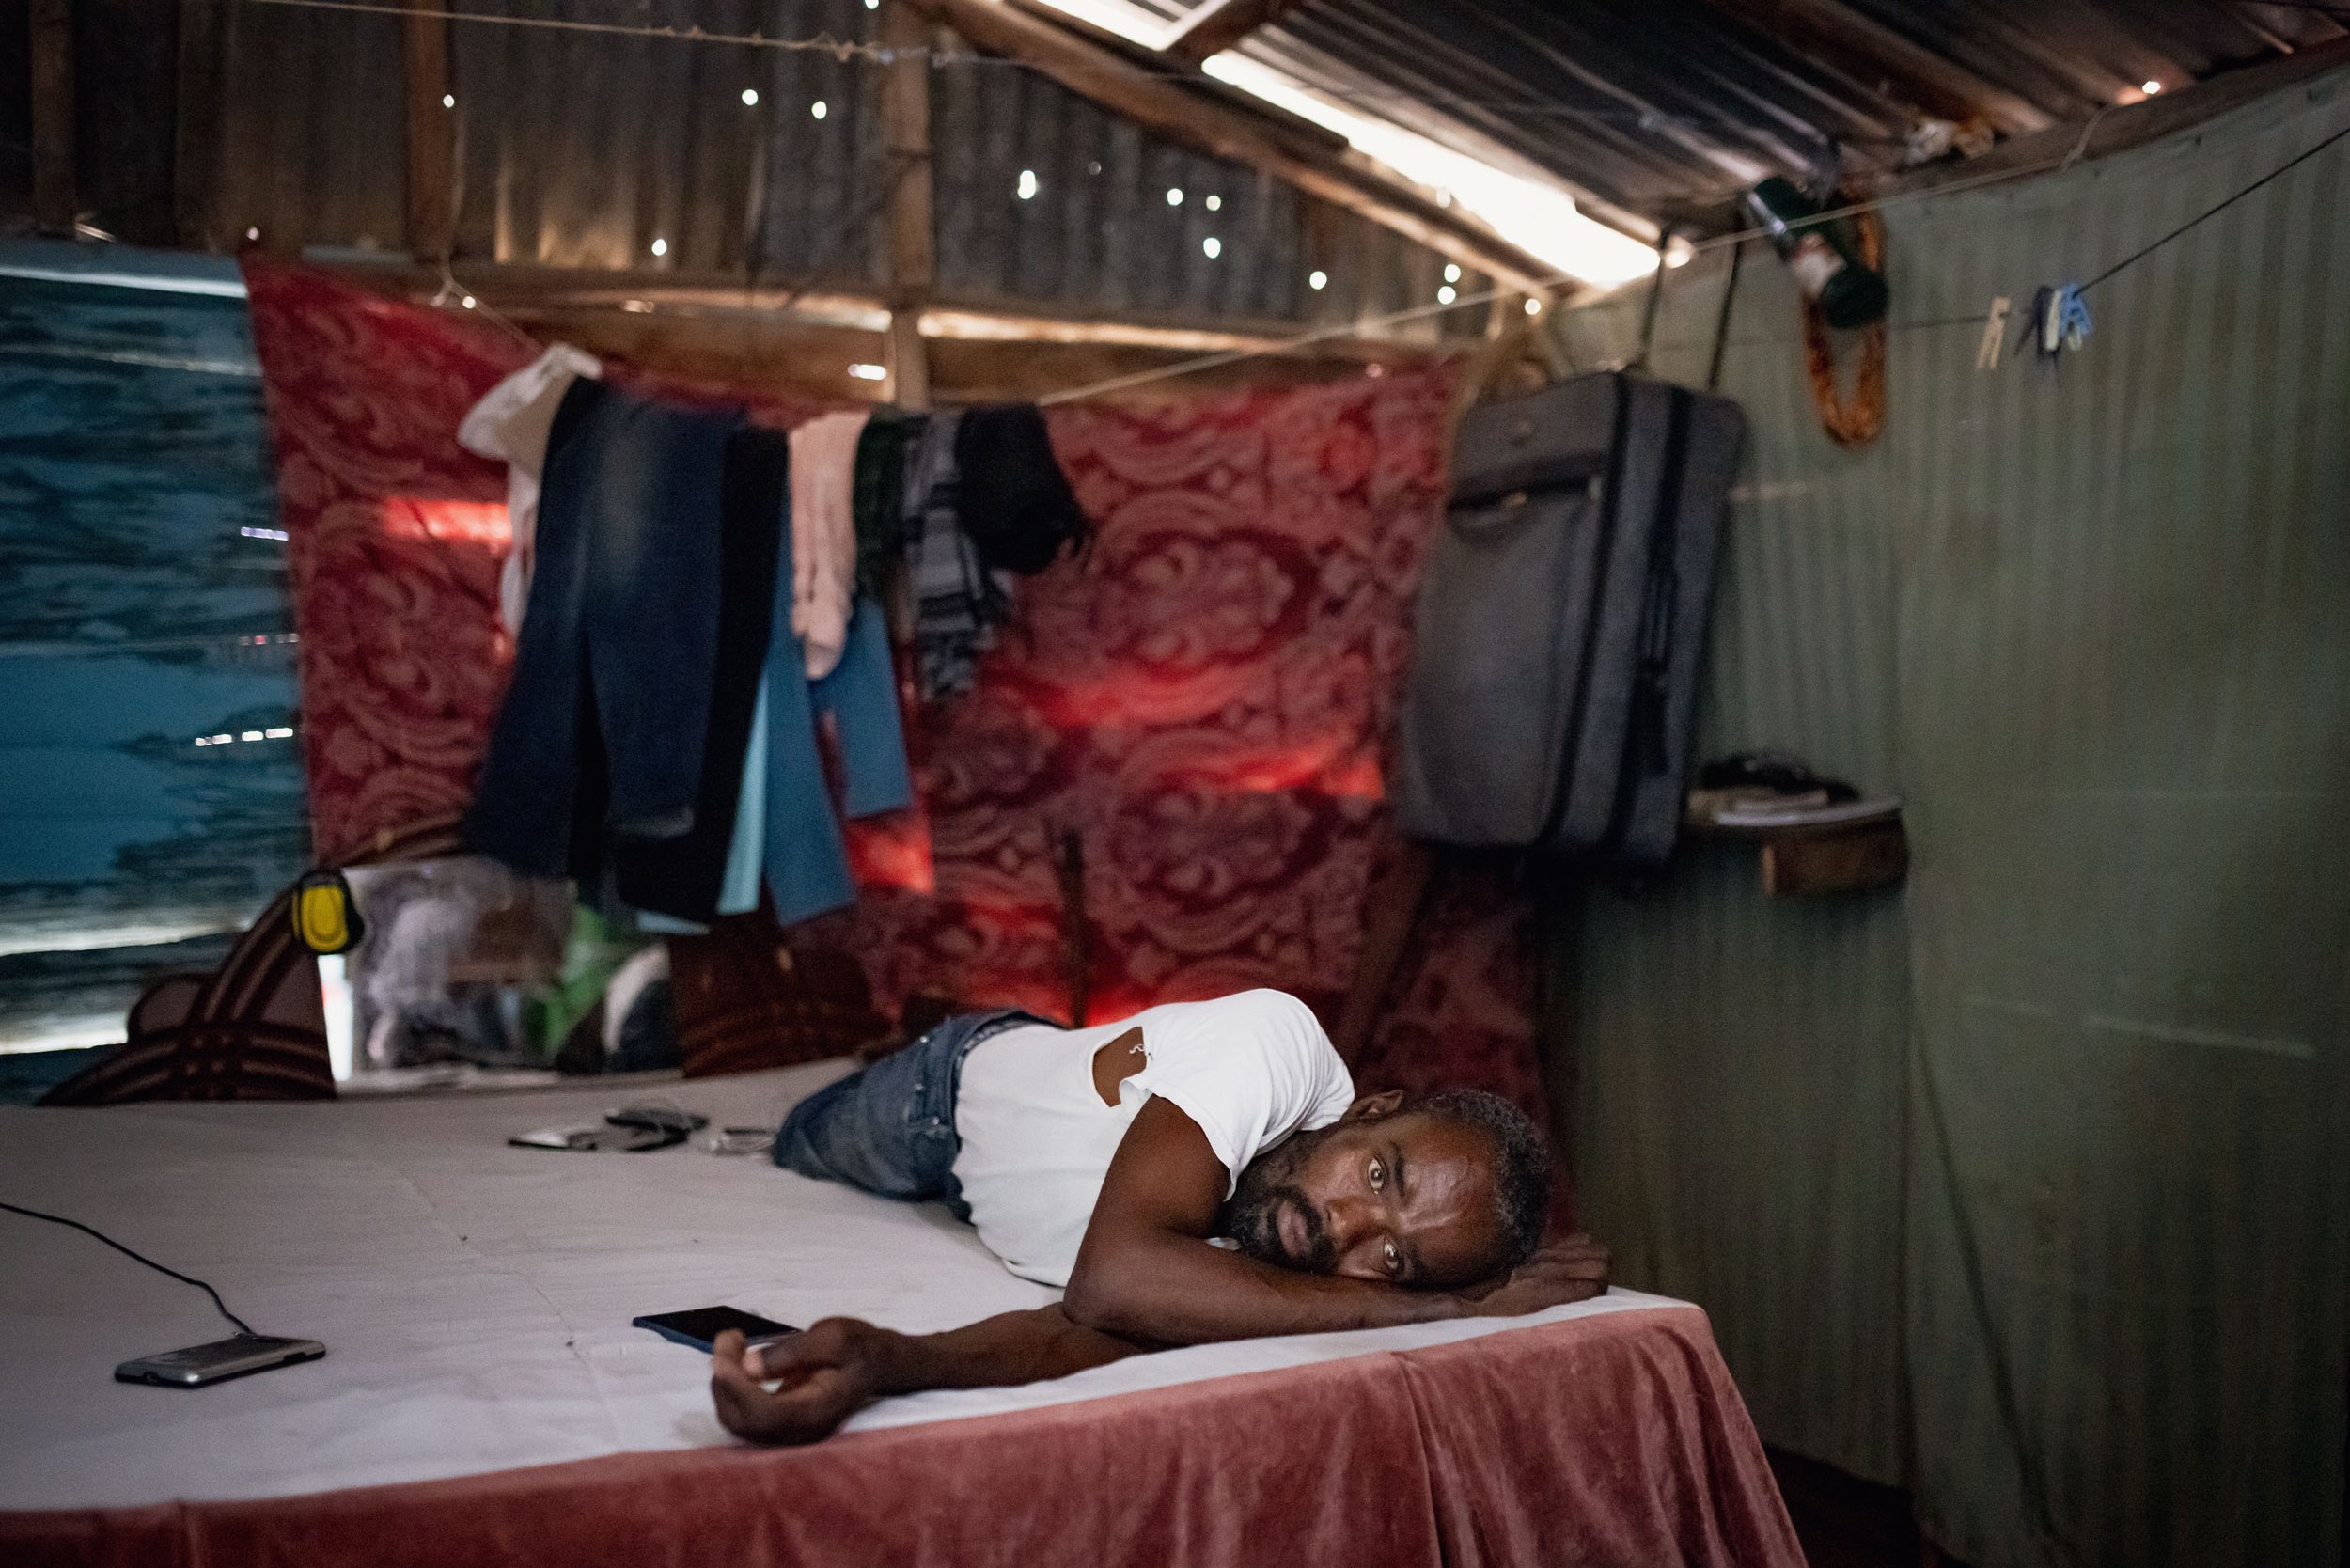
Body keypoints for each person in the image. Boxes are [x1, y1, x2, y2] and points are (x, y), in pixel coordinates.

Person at [710, 989, 1611, 1444]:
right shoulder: (1278, 1045)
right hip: (936, 1102)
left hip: (977, 1192)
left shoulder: (1279, 1279)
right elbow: (1116, 1278)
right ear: (1370, 1109)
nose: (1350, 1229)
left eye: (1397, 1262)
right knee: (790, 1139)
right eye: (1380, 1174)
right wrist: (1443, 1310)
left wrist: (884, 1363)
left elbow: (1075, 1330)